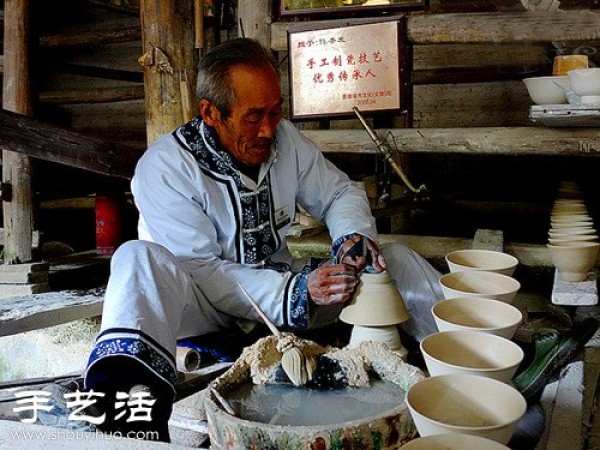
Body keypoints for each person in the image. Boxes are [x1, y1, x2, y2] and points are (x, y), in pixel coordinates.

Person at [82, 37, 443, 441]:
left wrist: (350, 237)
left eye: (275, 111)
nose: (269, 129)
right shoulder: (165, 168)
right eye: (253, 118)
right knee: (137, 259)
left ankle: (472, 367)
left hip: (287, 291)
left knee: (393, 260)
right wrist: (297, 290)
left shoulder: (285, 140)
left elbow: (339, 192)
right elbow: (202, 270)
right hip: (201, 307)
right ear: (211, 113)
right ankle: (129, 418)